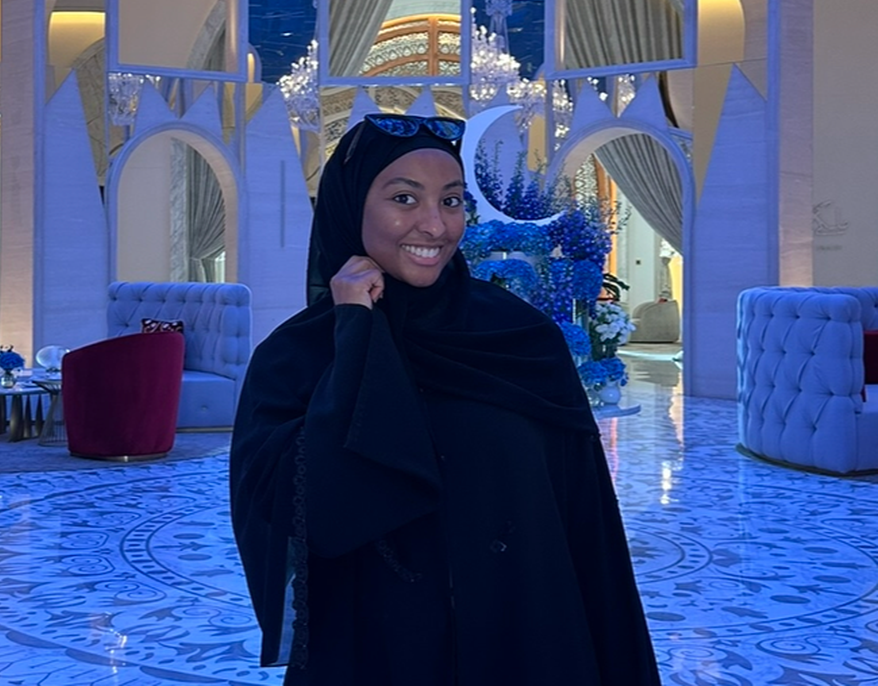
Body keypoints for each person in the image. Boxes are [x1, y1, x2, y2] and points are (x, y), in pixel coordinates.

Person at [229, 113, 661, 685]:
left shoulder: (519, 337)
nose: (435, 225)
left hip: (524, 642)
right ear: (350, 206)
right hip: (377, 651)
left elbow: (585, 525)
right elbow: (319, 515)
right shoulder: (296, 358)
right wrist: (355, 332)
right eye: (404, 198)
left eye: (452, 201)